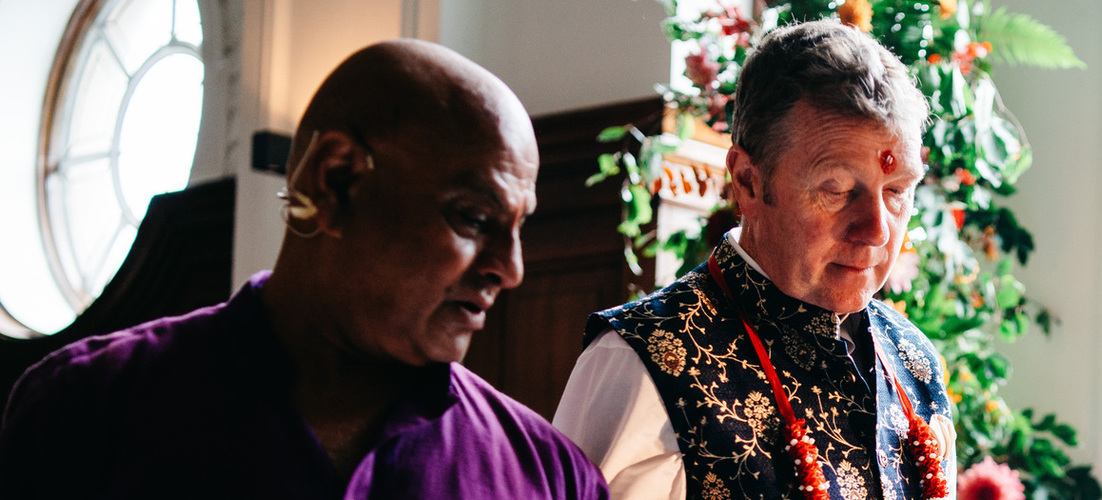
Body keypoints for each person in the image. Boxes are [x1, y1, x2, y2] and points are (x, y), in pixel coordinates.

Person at [0, 40, 607, 499]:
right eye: (473, 217)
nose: (510, 269)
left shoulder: (553, 479)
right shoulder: (85, 411)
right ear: (335, 180)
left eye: (518, 228)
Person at [552, 20, 957, 500]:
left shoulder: (914, 362)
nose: (877, 229)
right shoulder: (641, 363)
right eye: (836, 189)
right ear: (747, 180)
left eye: (897, 191)